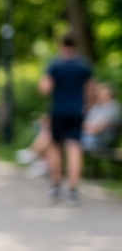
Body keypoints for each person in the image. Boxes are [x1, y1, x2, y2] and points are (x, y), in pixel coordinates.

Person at [38, 33, 93, 205]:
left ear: (61, 45)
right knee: (74, 148)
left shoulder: (55, 65)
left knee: (55, 147)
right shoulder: (83, 65)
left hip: (59, 111)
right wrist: (86, 106)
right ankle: (73, 190)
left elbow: (45, 88)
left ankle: (56, 185)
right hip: (77, 111)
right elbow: (91, 91)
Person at [81, 82, 120, 153]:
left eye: (103, 93)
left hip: (103, 138)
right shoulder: (97, 107)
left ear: (110, 95)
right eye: (100, 93)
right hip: (89, 135)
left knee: (75, 143)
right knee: (71, 140)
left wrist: (90, 129)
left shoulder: (114, 108)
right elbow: (84, 123)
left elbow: (101, 126)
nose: (100, 95)